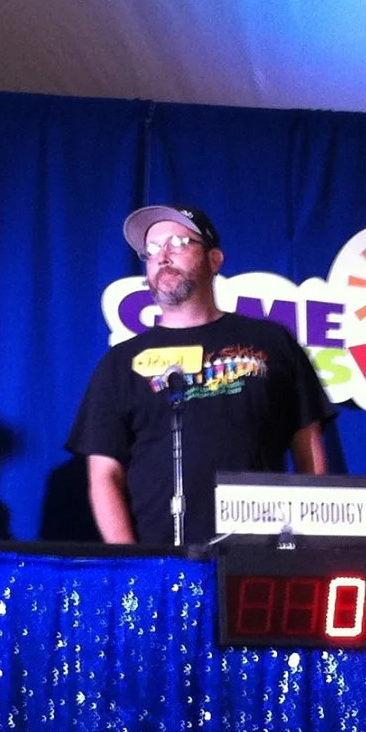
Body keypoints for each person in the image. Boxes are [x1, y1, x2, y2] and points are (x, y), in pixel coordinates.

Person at [69, 204, 332, 546]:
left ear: (214, 259)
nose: (163, 257)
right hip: (160, 558)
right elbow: (104, 474)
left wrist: (313, 545)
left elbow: (308, 447)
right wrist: (131, 563)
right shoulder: (121, 363)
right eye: (151, 250)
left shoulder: (271, 341)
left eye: (178, 243)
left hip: (261, 553)